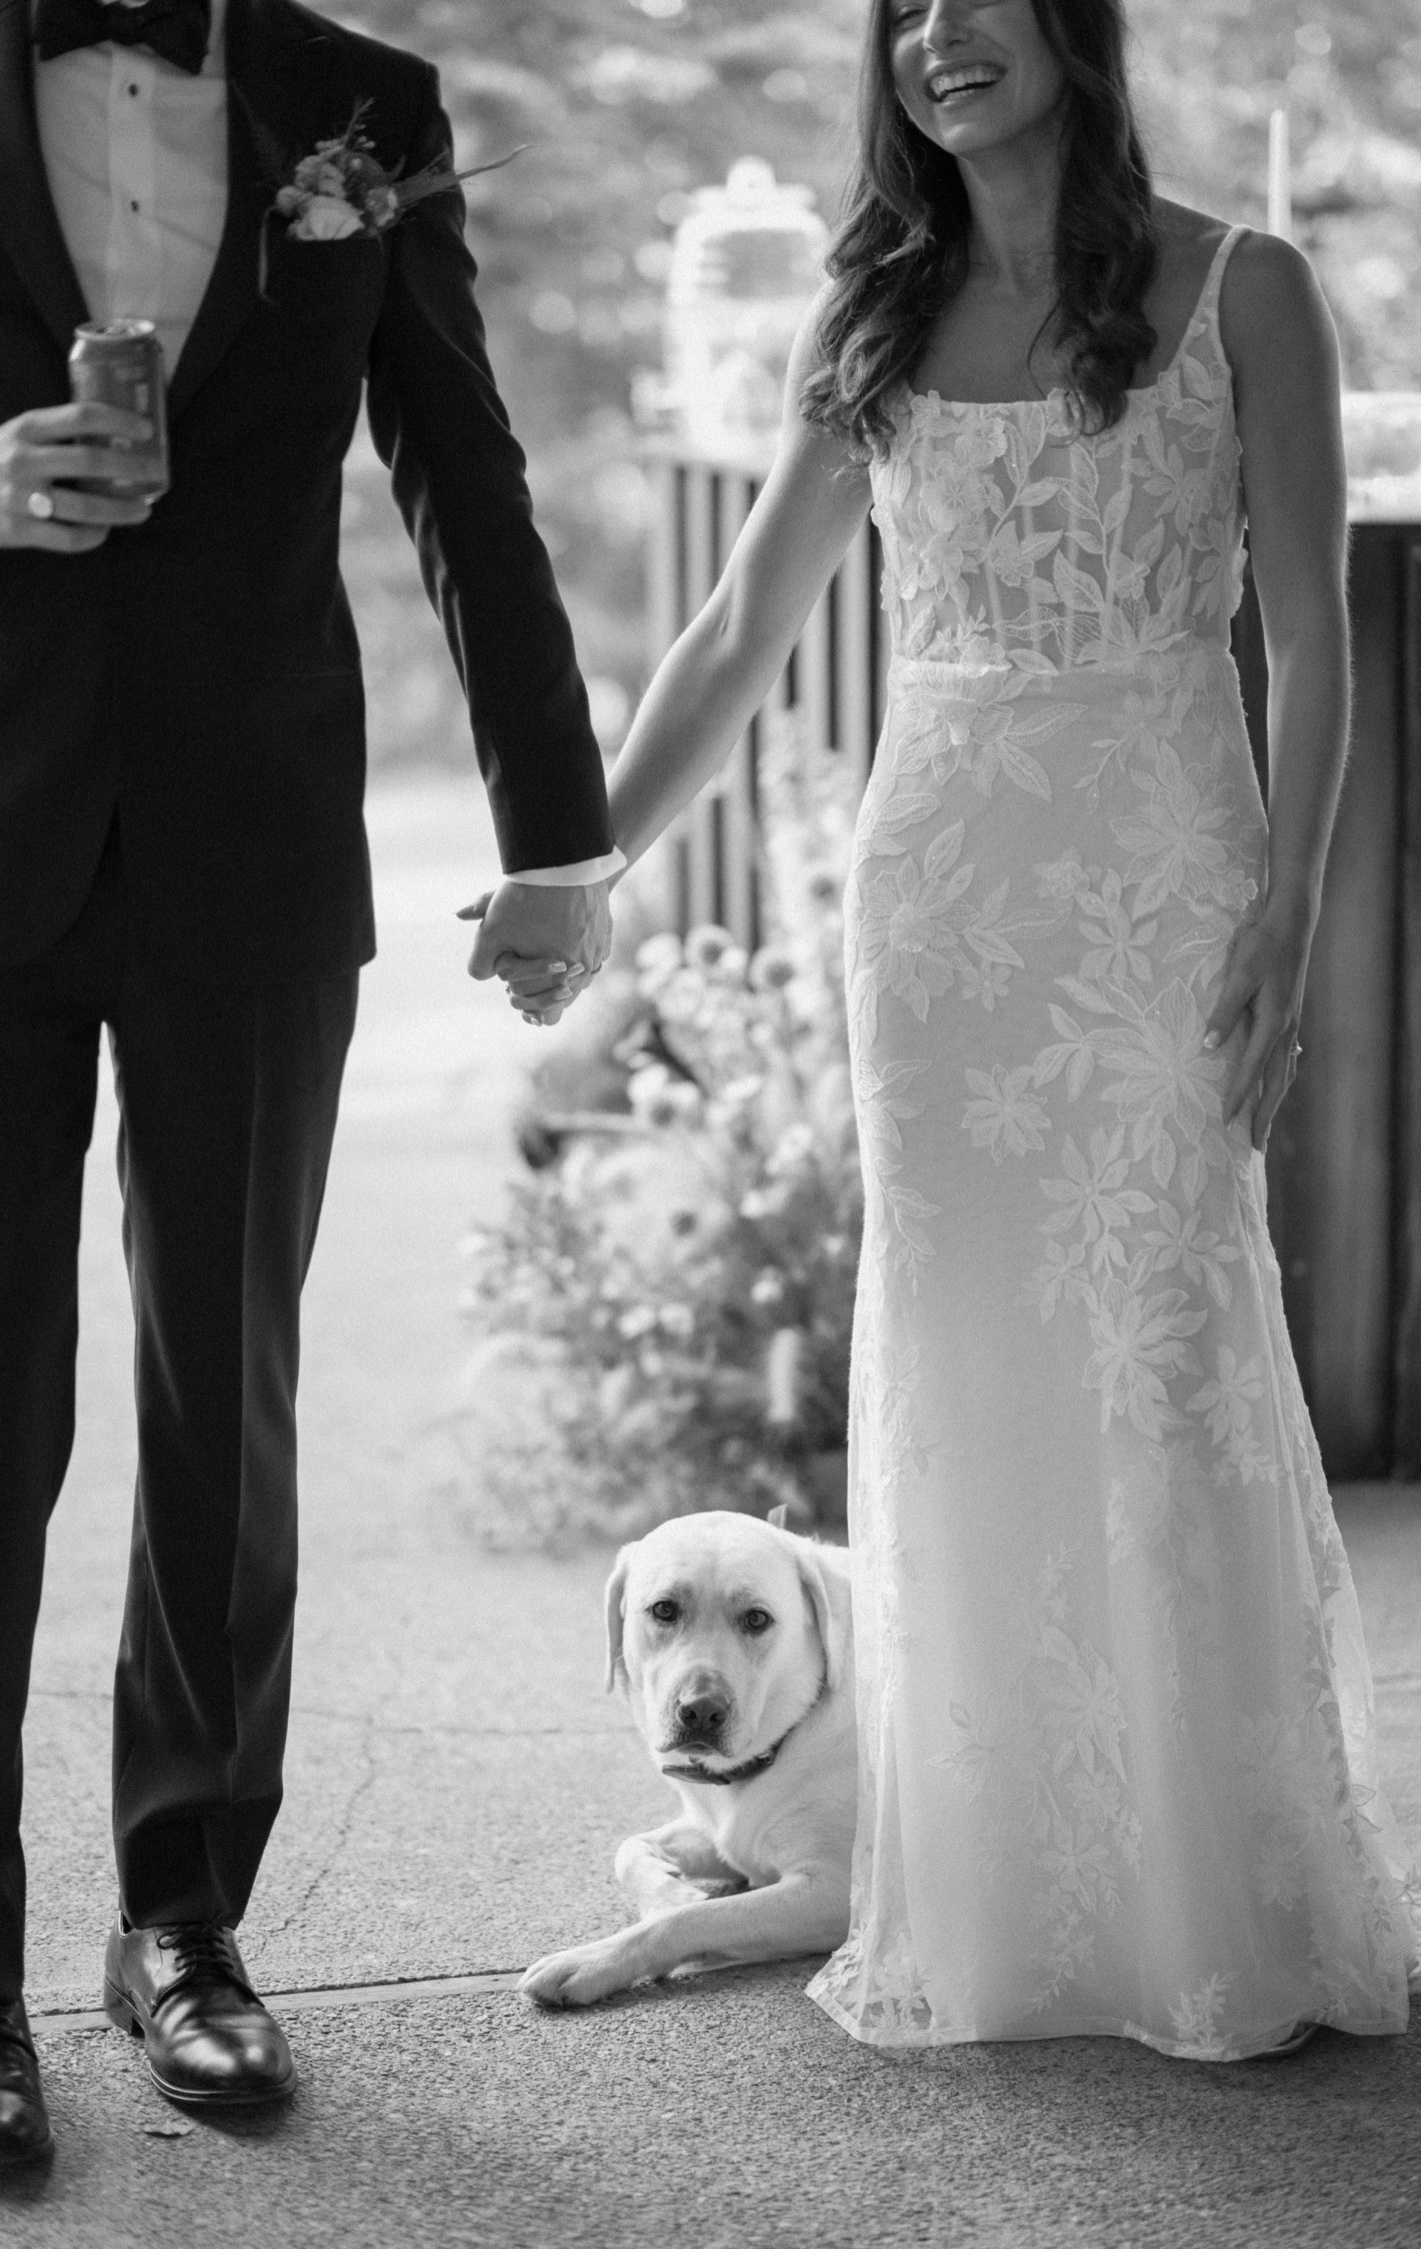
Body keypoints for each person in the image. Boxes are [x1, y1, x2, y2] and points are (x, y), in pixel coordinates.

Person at [544, 0, 1421, 2057]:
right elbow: (736, 632)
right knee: (964, 1372)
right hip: (946, 900)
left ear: (1075, 24)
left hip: (1164, 883)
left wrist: (1295, 911)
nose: (942, 39)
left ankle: (1208, 1879)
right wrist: (583, 863)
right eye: (906, 14)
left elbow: (1308, 627)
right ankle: (1005, 1881)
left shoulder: (1251, 287)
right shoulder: (868, 313)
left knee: (1160, 1351)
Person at [0, 0, 618, 2158]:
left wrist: (554, 827)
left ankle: (183, 1926)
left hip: (255, 840)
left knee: (222, 1407)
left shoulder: (366, 107)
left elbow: (458, 455)